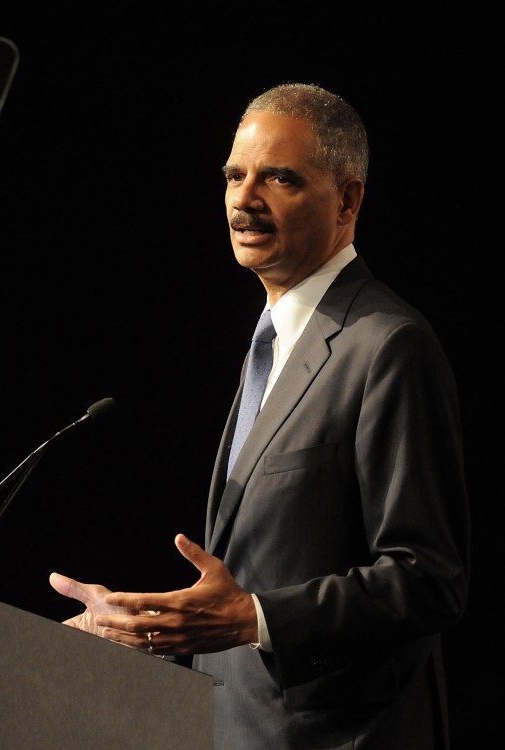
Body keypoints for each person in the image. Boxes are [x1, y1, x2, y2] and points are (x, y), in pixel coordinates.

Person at [48, 82, 470, 749]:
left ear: (349, 200)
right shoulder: (270, 343)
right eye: (235, 176)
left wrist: (255, 618)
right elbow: (253, 576)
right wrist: (152, 623)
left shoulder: (386, 345)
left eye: (279, 178)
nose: (245, 199)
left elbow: (427, 579)